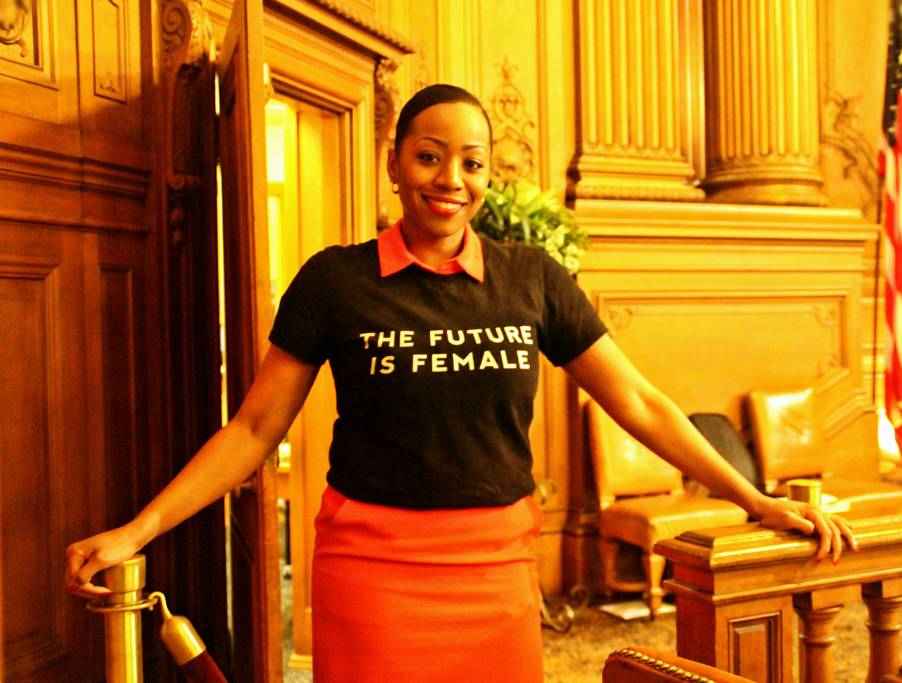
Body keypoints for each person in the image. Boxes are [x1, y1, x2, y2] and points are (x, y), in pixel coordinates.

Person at [66, 83, 857, 682]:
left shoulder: (531, 279)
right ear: (395, 161)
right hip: (371, 575)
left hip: (495, 573)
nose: (452, 178)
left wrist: (752, 497)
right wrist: (139, 530)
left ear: (488, 175)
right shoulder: (335, 281)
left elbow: (641, 401)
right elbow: (252, 431)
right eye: (430, 154)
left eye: (472, 161)